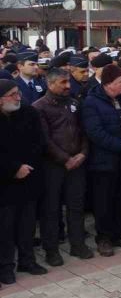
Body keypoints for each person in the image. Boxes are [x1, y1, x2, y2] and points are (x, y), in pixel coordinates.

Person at [32, 69, 94, 267]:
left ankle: (78, 244)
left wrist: (83, 153)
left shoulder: (74, 103)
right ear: (50, 84)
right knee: (51, 209)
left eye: (68, 82)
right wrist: (65, 159)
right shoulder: (39, 107)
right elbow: (45, 139)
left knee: (76, 206)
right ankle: (51, 249)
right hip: (53, 165)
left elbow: (83, 131)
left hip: (77, 162)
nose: (68, 86)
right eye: (63, 82)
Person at [82, 64, 121, 257]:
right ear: (108, 84)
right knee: (104, 201)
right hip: (104, 161)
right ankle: (104, 237)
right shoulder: (92, 102)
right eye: (120, 82)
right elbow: (96, 133)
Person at [0, 80, 48, 284]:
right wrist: (13, 169)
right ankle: (5, 267)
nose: (18, 98)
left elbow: (39, 142)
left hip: (29, 176)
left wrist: (25, 167)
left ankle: (27, 260)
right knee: (5, 228)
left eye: (18, 93)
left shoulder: (28, 113)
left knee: (27, 224)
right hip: (4, 184)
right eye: (12, 94)